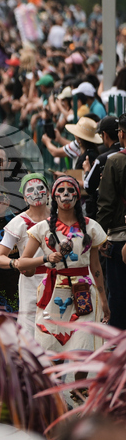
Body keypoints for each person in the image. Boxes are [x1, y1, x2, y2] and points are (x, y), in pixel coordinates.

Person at [20, 176, 109, 355]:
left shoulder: (91, 227)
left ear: (77, 196)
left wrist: (104, 301)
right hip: (53, 292)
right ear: (54, 197)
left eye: (70, 190)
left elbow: (96, 267)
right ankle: (57, 383)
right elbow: (23, 262)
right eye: (60, 191)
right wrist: (46, 259)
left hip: (84, 292)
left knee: (83, 346)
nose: (66, 194)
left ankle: (80, 384)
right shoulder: (41, 228)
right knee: (52, 346)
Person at [0, 173, 50, 333]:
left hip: (57, 280)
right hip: (30, 283)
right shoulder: (18, 223)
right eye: (30, 190)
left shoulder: (59, 218)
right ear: (24, 198)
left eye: (41, 188)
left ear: (48, 191)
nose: (36, 193)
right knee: (30, 328)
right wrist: (15, 263)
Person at [97, 114, 126, 328]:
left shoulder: (115, 161)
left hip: (119, 238)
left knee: (119, 296)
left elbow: (106, 204)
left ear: (121, 134)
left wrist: (100, 235)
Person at [85, 116, 122, 217]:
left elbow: (88, 186)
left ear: (105, 134)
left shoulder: (103, 159)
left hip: (112, 215)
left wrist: (87, 170)